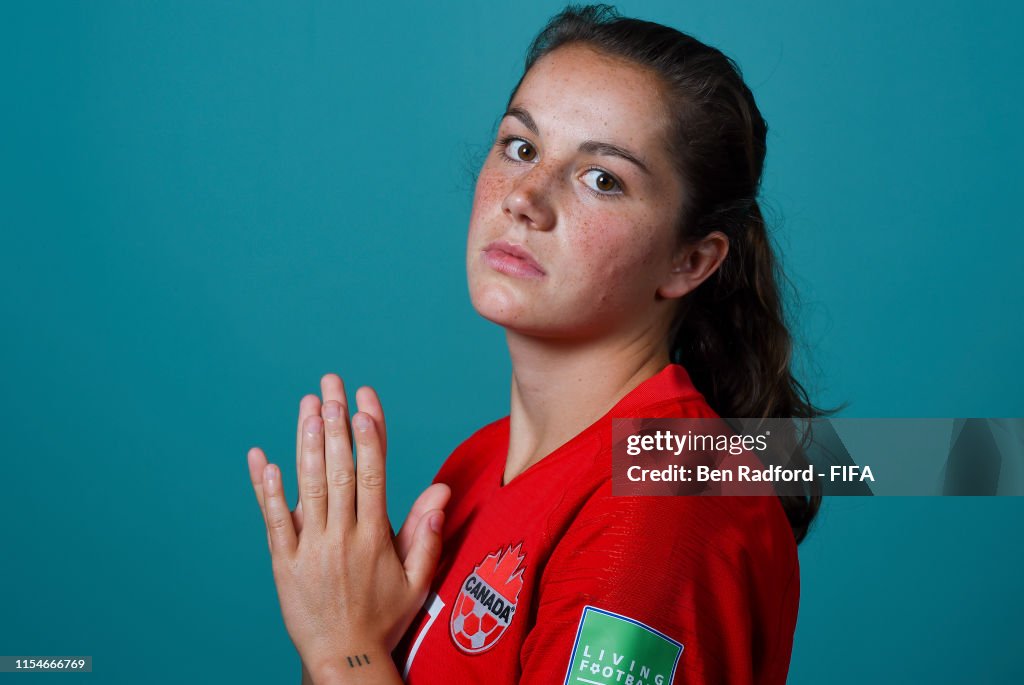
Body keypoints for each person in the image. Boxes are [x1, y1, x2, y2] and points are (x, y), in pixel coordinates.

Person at [246, 4, 831, 683]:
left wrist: (340, 645)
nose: (526, 195)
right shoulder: (475, 463)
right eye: (521, 147)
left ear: (690, 261)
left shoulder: (667, 500)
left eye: (602, 178)